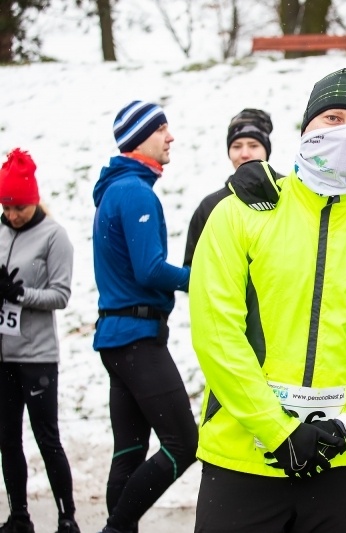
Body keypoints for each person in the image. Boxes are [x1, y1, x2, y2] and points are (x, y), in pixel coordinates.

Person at [188, 68, 346, 533]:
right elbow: (217, 333)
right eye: (332, 116)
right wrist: (277, 430)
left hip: (334, 465)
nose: (345, 133)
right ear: (304, 128)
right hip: (241, 456)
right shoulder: (239, 214)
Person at [92, 101, 198, 533]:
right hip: (136, 339)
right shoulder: (135, 192)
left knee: (130, 452)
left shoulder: (117, 189)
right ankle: (115, 529)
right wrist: (203, 276)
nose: (170, 137)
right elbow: (150, 269)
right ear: (140, 137)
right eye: (162, 130)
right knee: (183, 444)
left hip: (118, 338)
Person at [0, 149, 79, 533]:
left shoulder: (54, 236)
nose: (13, 215)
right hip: (3, 356)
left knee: (47, 438)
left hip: (37, 357)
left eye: (19, 207)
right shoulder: (1, 231)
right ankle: (19, 517)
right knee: (7, 440)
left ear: (34, 200)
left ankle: (67, 517)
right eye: (6, 207)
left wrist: (21, 295)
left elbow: (61, 296)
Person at [183, 108, 283, 267]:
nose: (244, 154)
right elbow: (194, 267)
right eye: (236, 146)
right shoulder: (209, 206)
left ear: (266, 149)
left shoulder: (289, 193)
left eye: (253, 145)